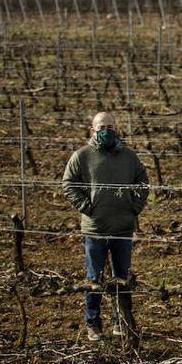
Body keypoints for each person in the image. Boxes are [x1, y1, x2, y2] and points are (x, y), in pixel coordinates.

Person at [61, 111, 149, 342]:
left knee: (122, 277)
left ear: (116, 129)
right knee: (94, 277)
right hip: (95, 228)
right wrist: (86, 206)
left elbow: (143, 181)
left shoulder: (129, 157)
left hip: (122, 227)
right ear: (92, 130)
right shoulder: (82, 156)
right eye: (101, 127)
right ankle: (93, 322)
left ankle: (121, 321)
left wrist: (134, 206)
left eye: (110, 127)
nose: (106, 131)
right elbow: (68, 183)